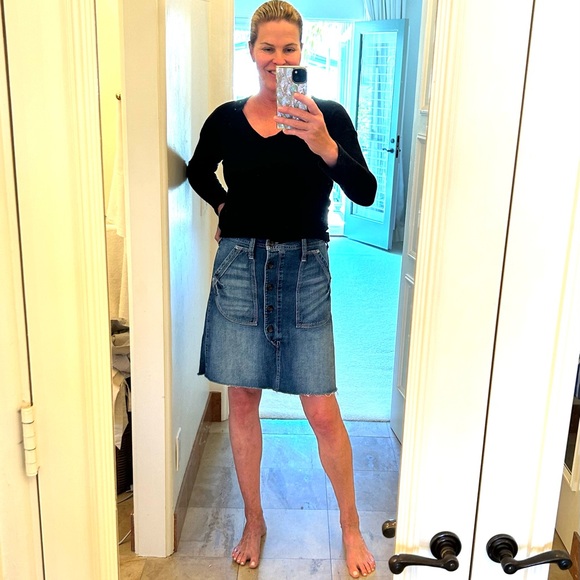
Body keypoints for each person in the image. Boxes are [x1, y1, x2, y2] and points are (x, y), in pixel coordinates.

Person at [187, 1, 377, 577]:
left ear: (302, 52)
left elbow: (365, 191)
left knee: (320, 406)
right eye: (267, 48)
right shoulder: (226, 119)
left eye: (288, 48)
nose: (278, 59)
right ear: (251, 51)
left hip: (305, 268)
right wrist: (223, 205)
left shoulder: (328, 116)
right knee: (243, 399)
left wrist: (324, 144)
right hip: (240, 266)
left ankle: (350, 526)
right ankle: (254, 519)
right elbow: (198, 169)